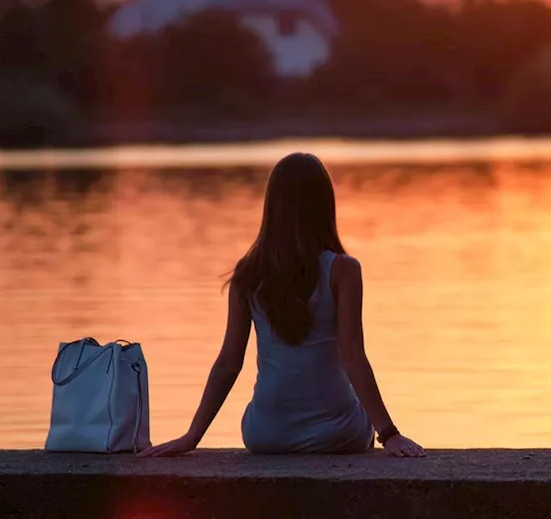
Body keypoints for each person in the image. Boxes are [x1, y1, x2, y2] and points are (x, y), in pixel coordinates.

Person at [140, 152, 425, 458]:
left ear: (272, 208)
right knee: (357, 408)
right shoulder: (343, 270)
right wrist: (390, 434)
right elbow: (353, 358)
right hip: (335, 434)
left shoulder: (248, 273)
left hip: (265, 434)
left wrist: (192, 436)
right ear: (324, 206)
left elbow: (228, 363)